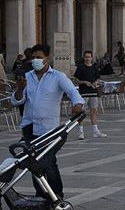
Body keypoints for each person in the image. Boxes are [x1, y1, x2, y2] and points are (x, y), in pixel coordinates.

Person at [11, 44, 84, 200]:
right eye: (33, 58)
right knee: (33, 162)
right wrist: (19, 89)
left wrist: (77, 104)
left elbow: (72, 91)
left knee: (48, 161)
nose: (35, 60)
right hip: (29, 127)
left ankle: (56, 194)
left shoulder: (58, 76)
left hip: (49, 129)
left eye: (39, 57)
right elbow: (17, 101)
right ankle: (41, 195)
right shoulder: (27, 77)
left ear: (47, 58)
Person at [74, 51, 108, 140]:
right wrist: (84, 82)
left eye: (89, 57)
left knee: (93, 111)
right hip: (83, 92)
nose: (87, 59)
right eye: (86, 57)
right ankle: (80, 131)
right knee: (81, 112)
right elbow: (76, 80)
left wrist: (95, 82)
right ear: (84, 58)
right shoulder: (80, 68)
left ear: (92, 58)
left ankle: (95, 131)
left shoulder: (94, 67)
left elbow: (97, 78)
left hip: (93, 92)